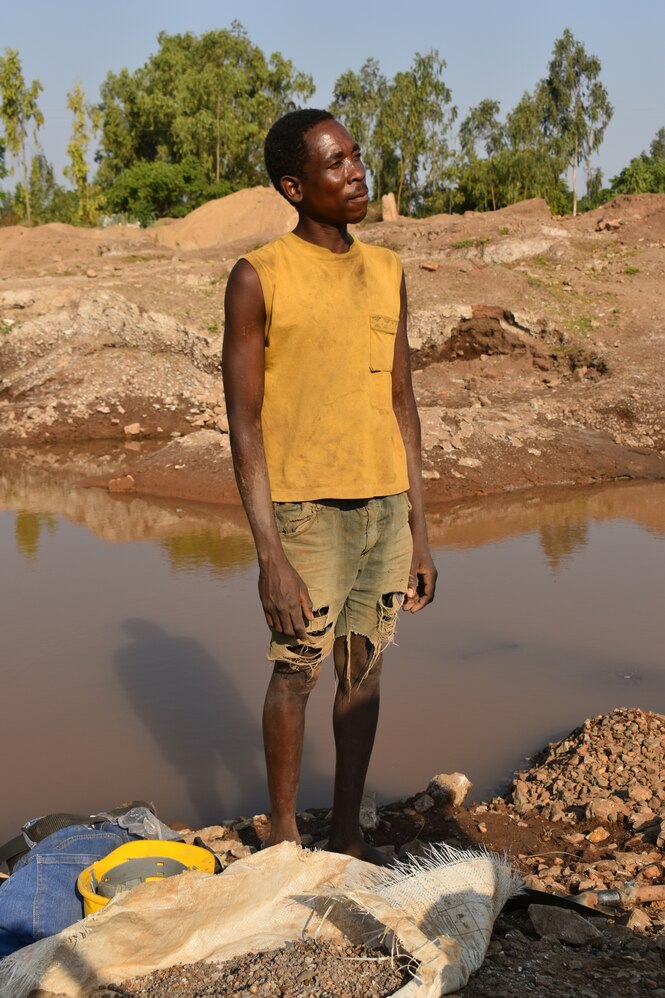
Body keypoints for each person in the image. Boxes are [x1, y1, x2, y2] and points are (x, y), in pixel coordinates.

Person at [222, 109, 437, 864]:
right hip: (305, 514)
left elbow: (403, 401)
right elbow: (244, 425)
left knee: (364, 673)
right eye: (335, 163)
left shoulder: (388, 270)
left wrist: (420, 530)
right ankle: (285, 835)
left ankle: (346, 834)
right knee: (296, 672)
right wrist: (269, 555)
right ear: (294, 185)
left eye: (355, 155)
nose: (356, 172)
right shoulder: (259, 276)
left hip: (384, 508)